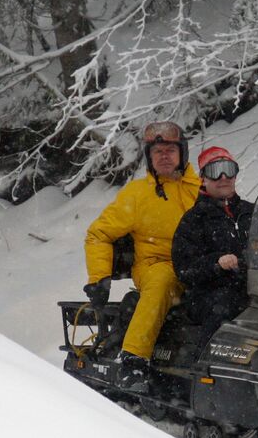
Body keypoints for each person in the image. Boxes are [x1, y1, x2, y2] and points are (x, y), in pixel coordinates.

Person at [83, 121, 200, 370]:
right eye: (157, 152)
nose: (164, 157)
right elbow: (99, 233)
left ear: (183, 153)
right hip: (156, 265)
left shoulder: (201, 190)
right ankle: (133, 358)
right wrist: (99, 278)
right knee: (162, 280)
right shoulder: (137, 195)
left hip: (199, 266)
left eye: (170, 150)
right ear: (149, 157)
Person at [171, 145, 253, 341]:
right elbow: (184, 268)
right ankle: (206, 365)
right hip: (209, 293)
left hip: (256, 287)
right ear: (203, 178)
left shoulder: (252, 212)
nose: (223, 177)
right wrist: (216, 263)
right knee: (224, 306)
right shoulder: (194, 220)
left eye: (229, 169)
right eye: (214, 172)